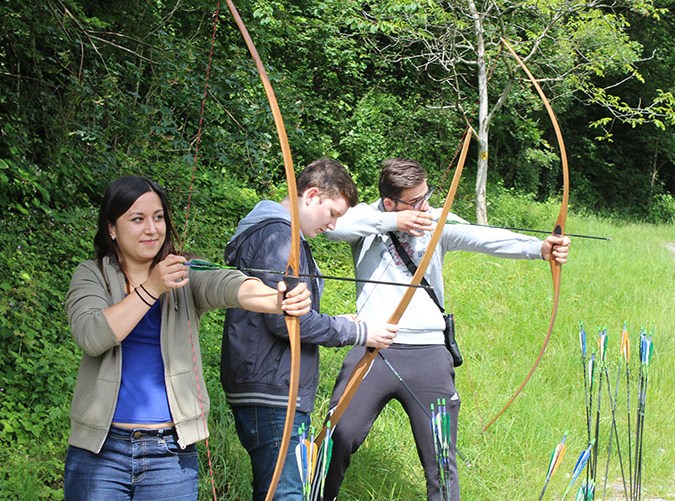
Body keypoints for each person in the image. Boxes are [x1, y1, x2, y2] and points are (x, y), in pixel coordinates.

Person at [321, 157, 571, 501]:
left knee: (441, 458)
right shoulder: (364, 218)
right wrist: (393, 221)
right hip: (373, 348)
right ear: (391, 201)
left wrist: (538, 248)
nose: (425, 206)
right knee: (338, 436)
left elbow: (483, 237)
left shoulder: (434, 221)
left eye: (427, 196)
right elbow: (336, 227)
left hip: (428, 355)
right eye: (415, 201)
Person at [64, 175, 311, 500]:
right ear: (112, 227)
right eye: (137, 219)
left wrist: (278, 300)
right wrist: (152, 287)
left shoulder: (184, 274)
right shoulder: (91, 275)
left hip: (170, 453)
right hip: (99, 451)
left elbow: (231, 285)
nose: (152, 229)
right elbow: (92, 335)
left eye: (158, 217)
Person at [220, 158, 399, 500]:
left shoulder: (281, 235)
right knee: (286, 494)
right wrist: (360, 333)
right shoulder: (278, 236)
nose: (332, 225)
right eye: (332, 213)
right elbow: (286, 319)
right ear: (312, 195)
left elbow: (289, 311)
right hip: (273, 392)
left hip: (271, 386)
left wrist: (341, 322)